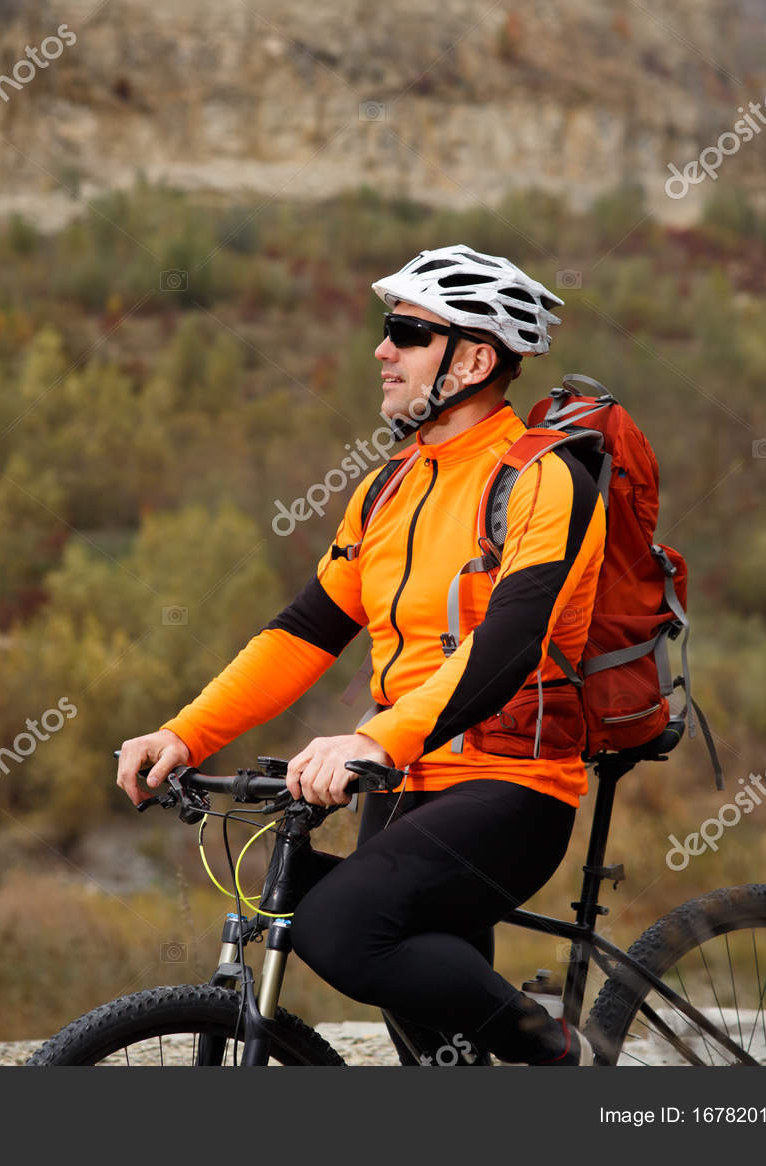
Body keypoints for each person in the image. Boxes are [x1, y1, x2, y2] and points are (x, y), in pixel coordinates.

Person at [116, 244, 605, 1066]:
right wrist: (185, 734)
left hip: (512, 785)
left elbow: (510, 645)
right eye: (388, 330)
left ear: (475, 361)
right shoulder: (388, 487)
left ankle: (563, 1057)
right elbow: (303, 634)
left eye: (407, 333)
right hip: (404, 781)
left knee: (345, 930)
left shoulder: (544, 481)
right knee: (418, 1026)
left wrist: (374, 739)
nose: (382, 350)